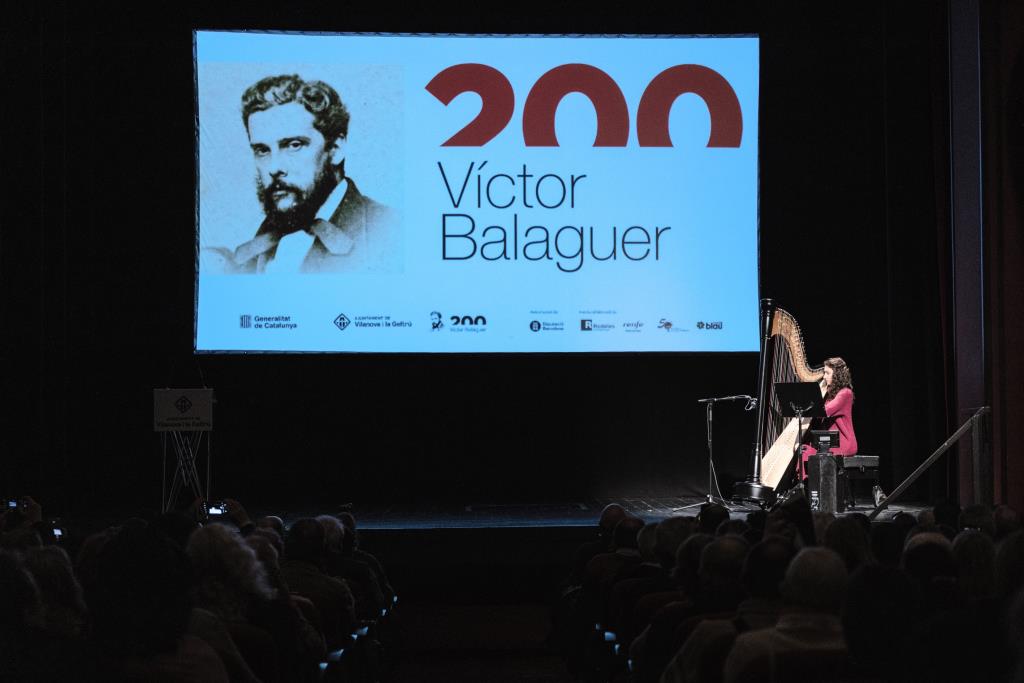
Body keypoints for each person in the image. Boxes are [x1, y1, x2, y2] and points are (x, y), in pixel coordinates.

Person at [206, 74, 398, 274]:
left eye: (294, 145)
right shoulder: (243, 257)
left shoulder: (393, 235)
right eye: (262, 150)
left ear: (336, 149)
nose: (274, 167)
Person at [798, 356, 858, 478]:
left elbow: (824, 411)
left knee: (805, 451)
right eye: (824, 372)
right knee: (804, 448)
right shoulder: (828, 394)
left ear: (837, 375)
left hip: (843, 444)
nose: (824, 376)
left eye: (827, 373)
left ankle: (807, 486)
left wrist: (807, 399)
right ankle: (807, 486)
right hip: (828, 443)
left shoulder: (845, 393)